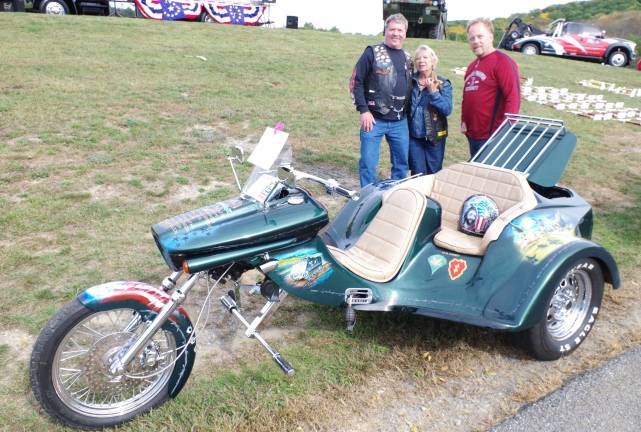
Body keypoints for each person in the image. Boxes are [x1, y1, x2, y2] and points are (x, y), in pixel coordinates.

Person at [350, 13, 412, 187]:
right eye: (392, 29)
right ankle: (367, 197)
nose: (396, 33)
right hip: (374, 119)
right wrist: (363, 110)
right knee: (368, 164)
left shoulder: (408, 58)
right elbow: (356, 82)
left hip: (400, 121)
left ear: (405, 33)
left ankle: (396, 195)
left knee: (401, 165)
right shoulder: (372, 52)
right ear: (385, 31)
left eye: (400, 30)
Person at [461, 17, 521, 158]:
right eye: (472, 38)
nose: (475, 41)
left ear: (491, 37)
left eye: (480, 36)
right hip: (473, 134)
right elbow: (467, 97)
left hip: (493, 137)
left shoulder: (503, 62)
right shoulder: (471, 66)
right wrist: (463, 121)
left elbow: (513, 98)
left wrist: (506, 132)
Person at [408, 45, 452, 176]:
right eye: (418, 58)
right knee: (417, 173)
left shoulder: (443, 83)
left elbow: (447, 109)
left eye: (425, 57)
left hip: (435, 136)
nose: (421, 61)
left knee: (434, 173)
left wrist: (434, 93)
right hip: (414, 137)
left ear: (433, 60)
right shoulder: (410, 80)